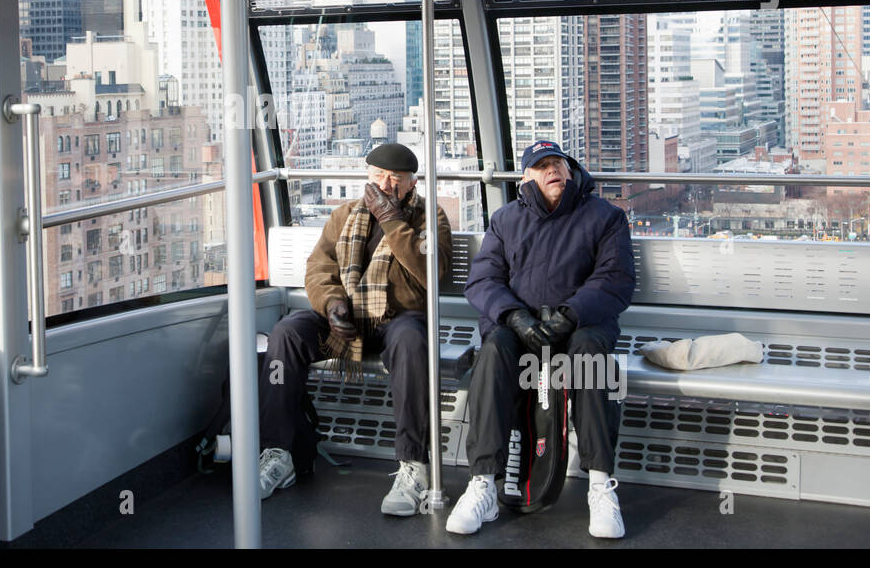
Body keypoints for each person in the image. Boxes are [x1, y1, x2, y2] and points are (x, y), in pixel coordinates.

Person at [447, 140, 635, 538]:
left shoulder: (605, 217)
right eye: (542, 166)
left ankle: (601, 487)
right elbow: (483, 279)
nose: (553, 171)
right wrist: (515, 317)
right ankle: (482, 483)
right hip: (523, 327)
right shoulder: (505, 220)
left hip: (581, 326)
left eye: (559, 164)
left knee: (590, 356)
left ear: (571, 171)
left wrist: (570, 315)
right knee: (494, 349)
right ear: (526, 178)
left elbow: (614, 280)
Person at [257, 143, 452, 515]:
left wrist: (392, 222)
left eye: (396, 179)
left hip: (399, 316)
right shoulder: (344, 215)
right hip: (346, 317)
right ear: (368, 176)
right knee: (286, 333)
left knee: (411, 341)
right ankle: (279, 453)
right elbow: (319, 269)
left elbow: (433, 272)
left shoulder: (429, 218)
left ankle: (413, 464)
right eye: (379, 176)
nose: (386, 184)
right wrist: (332, 305)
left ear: (412, 184)